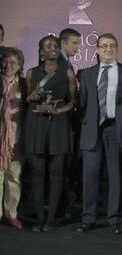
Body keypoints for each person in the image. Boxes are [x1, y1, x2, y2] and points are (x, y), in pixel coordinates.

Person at [76, 33, 122, 234]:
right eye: (104, 46)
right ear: (97, 50)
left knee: (116, 175)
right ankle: (88, 218)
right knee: (89, 176)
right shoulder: (86, 73)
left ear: (117, 49)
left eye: (112, 46)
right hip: (92, 130)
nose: (108, 49)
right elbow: (82, 104)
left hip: (115, 128)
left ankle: (115, 218)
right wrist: (88, 123)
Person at [25, 35, 77, 231]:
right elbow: (27, 99)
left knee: (56, 172)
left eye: (55, 45)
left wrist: (60, 110)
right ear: (41, 51)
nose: (53, 48)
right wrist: (31, 97)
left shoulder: (68, 72)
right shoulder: (32, 73)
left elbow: (73, 101)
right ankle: (39, 218)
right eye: (48, 46)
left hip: (58, 124)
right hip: (36, 123)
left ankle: (51, 219)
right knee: (37, 172)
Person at [0, 47, 26, 229]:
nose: (9, 66)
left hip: (17, 137)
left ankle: (11, 214)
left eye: (13, 63)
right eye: (5, 62)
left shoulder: (25, 85)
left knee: (14, 177)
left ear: (20, 66)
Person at [56, 27, 81, 217]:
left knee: (66, 164)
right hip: (59, 120)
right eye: (74, 43)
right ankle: (59, 208)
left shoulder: (67, 63)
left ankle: (61, 206)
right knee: (61, 165)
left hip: (67, 120)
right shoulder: (58, 63)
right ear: (62, 43)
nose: (77, 47)